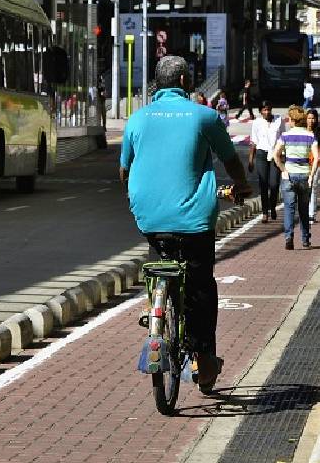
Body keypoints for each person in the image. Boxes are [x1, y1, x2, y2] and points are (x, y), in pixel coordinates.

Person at [120, 55, 252, 393]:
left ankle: (156, 314)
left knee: (159, 264)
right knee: (201, 285)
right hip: (193, 221)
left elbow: (124, 170)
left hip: (149, 218)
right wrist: (242, 185)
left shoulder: (137, 119)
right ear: (183, 80)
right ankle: (204, 360)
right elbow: (231, 160)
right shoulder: (204, 116)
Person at [273, 106, 320, 249]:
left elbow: (276, 155)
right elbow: (317, 158)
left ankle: (289, 238)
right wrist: (311, 175)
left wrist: (283, 169)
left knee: (289, 208)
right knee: (304, 209)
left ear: (292, 120)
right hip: (305, 175)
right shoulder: (310, 136)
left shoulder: (285, 136)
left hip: (289, 175)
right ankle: (305, 239)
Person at [247, 101, 284, 223]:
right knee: (263, 185)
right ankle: (265, 212)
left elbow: (283, 138)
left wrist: (284, 156)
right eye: (264, 110)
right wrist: (251, 159)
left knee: (274, 184)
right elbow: (254, 141)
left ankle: (272, 207)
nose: (267, 112)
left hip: (275, 155)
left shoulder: (279, 120)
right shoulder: (257, 122)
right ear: (261, 111)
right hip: (262, 154)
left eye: (268, 109)